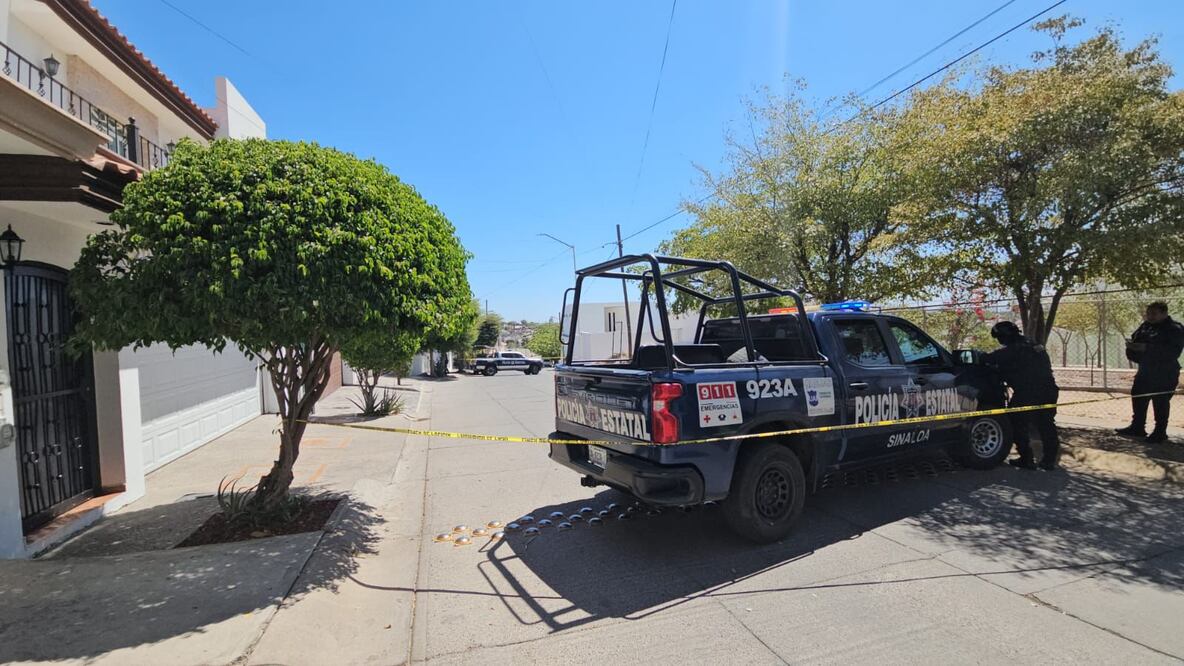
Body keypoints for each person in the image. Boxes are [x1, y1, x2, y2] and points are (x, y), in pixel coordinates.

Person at [984, 321, 1061, 470]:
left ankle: (1026, 458)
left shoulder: (1012, 350)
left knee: (1016, 423)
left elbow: (987, 359)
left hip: (1028, 393)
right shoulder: (1033, 346)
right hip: (1049, 391)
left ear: (1004, 337)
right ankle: (1049, 461)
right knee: (1046, 425)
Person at [1117, 301, 1184, 443]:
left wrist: (1146, 348)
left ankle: (1160, 432)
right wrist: (1133, 348)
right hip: (1145, 370)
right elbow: (1135, 341)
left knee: (1160, 402)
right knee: (1138, 396)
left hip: (1165, 372)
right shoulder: (1145, 326)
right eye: (1148, 314)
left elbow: (1172, 352)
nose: (1150, 317)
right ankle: (1137, 427)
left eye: (1154, 314)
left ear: (1164, 313)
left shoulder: (1174, 329)